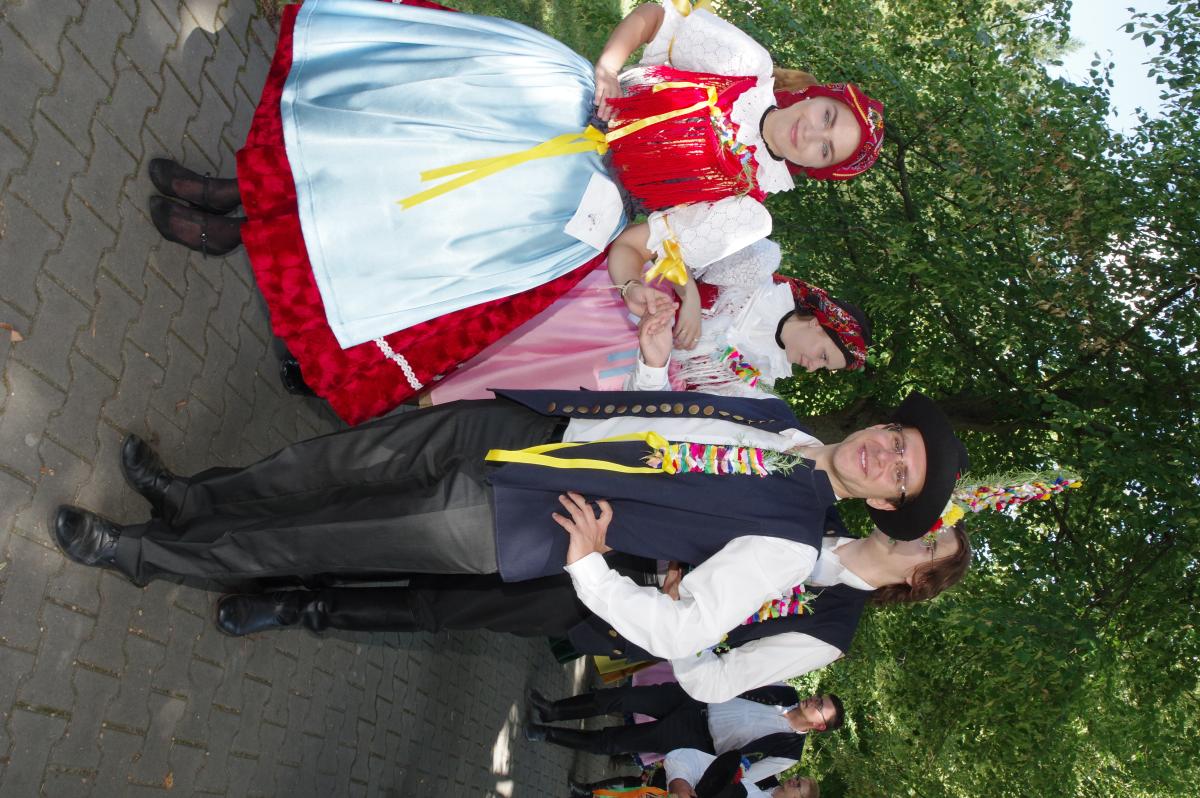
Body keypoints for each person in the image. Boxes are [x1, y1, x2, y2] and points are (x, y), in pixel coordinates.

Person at [146, 0, 885, 424]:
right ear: (818, 97)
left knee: (396, 225)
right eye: (827, 117)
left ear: (815, 169)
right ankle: (231, 190)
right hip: (553, 105)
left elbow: (639, 240)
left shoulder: (748, 215)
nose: (812, 133)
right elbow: (656, 16)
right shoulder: (747, 66)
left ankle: (237, 233)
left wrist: (638, 285)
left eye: (826, 149)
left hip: (565, 206)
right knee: (384, 147)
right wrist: (607, 66)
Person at [52, 385, 968, 665]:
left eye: (901, 475)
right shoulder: (778, 416)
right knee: (329, 463)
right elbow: (666, 413)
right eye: (898, 441)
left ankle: (140, 555)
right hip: (534, 431)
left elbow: (685, 631)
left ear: (886, 506)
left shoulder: (791, 543)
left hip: (522, 518)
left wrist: (593, 567)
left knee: (315, 538)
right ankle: (192, 500)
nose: (884, 457)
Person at [427, 239, 871, 402]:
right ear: (818, 324)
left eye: (821, 369)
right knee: (508, 331)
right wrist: (690, 296)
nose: (812, 366)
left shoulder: (755, 382)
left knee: (518, 384)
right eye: (823, 356)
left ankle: (426, 396)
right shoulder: (755, 267)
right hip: (621, 306)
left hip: (624, 372)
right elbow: (671, 238)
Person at [525, 682, 840, 789]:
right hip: (694, 700)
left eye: (820, 707)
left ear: (820, 726)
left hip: (695, 738)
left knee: (615, 741)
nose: (813, 700)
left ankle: (546, 734)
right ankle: (552, 709)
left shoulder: (789, 752)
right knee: (620, 698)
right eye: (819, 697)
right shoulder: (786, 691)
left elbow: (742, 775)